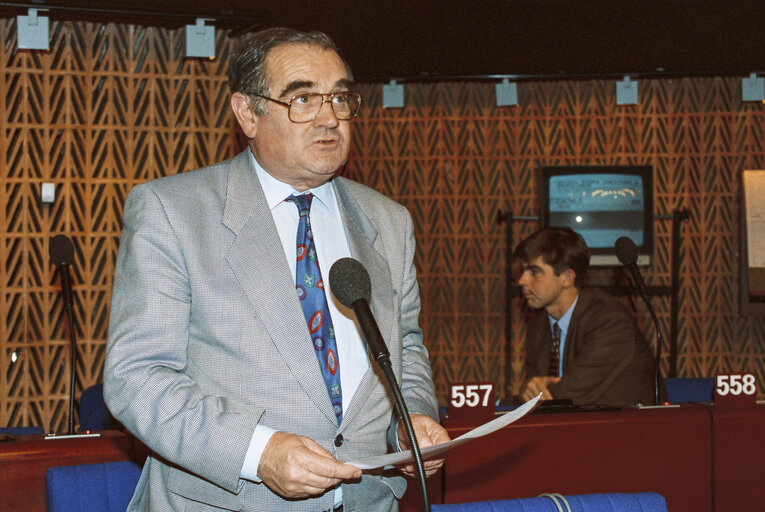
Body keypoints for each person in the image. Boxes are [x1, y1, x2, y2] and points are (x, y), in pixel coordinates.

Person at [104, 27, 448, 512]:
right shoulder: (171, 210)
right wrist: (257, 451)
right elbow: (138, 377)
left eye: (340, 98)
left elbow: (404, 346)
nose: (329, 118)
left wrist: (410, 417)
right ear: (247, 113)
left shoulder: (389, 221)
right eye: (303, 98)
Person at [515, 227, 656, 407]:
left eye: (534, 272)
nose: (522, 281)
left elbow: (564, 395)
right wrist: (528, 388)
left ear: (567, 277)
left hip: (628, 430)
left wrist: (537, 392)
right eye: (523, 271)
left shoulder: (610, 320)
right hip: (571, 428)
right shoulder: (538, 325)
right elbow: (534, 390)